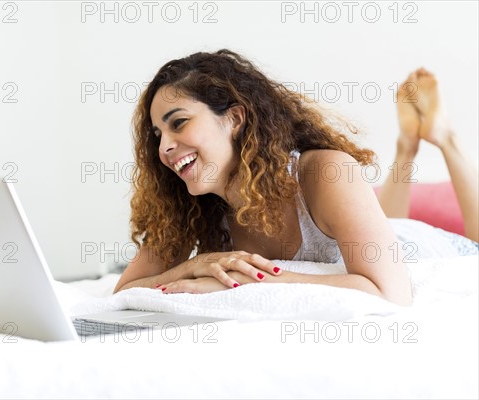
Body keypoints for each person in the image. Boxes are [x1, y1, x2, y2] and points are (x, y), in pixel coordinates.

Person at [113, 50, 478, 306]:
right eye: (158, 136)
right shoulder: (191, 205)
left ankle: (441, 137)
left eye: (179, 123)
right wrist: (193, 265)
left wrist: (247, 282)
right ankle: (408, 145)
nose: (164, 149)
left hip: (423, 246)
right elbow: (126, 290)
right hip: (388, 229)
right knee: (392, 221)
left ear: (235, 118)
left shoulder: (326, 171)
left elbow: (391, 293)